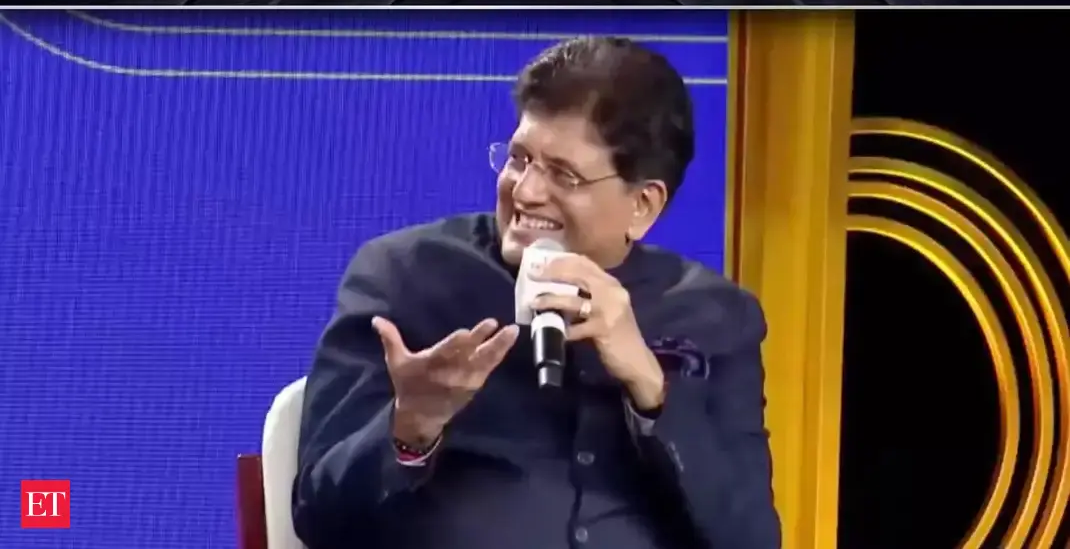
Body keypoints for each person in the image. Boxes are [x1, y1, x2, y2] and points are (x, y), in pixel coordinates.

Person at [292, 36, 781, 549]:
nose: (525, 191)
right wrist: (410, 426)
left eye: (564, 175)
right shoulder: (406, 276)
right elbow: (317, 514)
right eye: (519, 159)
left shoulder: (714, 316)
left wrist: (651, 389)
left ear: (642, 205)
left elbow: (750, 539)